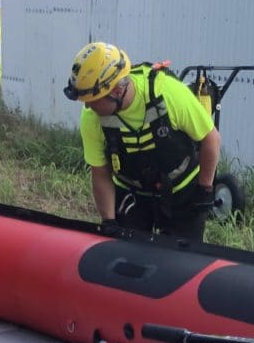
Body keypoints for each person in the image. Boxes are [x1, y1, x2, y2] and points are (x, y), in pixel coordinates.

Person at [65, 41, 220, 242]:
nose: (87, 105)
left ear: (117, 91)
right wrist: (109, 221)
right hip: (132, 191)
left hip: (181, 189)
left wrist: (204, 189)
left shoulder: (167, 93)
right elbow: (100, 172)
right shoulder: (91, 117)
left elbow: (211, 139)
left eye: (93, 99)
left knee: (181, 262)